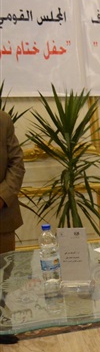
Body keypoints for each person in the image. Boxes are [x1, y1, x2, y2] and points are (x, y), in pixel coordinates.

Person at [0, 109, 25, 255]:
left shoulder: (3, 120)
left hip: (2, 220)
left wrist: (2, 196)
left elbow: (17, 163)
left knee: (5, 268)